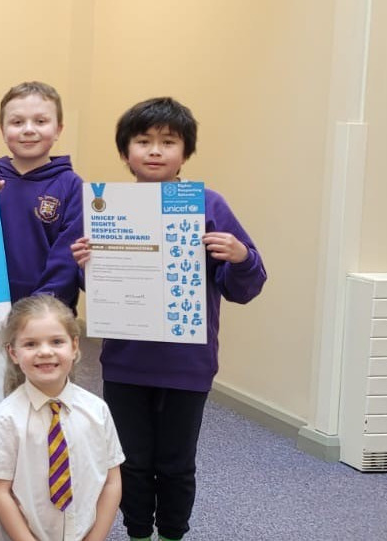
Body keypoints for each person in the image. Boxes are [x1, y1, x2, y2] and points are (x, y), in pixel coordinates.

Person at [70, 97, 268, 541]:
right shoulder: (107, 206)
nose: (155, 150)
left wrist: (240, 257)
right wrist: (87, 266)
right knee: (132, 460)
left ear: (186, 151)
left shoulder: (208, 204)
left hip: (187, 364)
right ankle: (138, 531)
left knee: (177, 462)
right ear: (126, 152)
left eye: (168, 141)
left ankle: (173, 533)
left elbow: (246, 286)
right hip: (125, 360)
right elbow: (100, 293)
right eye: (143, 141)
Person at [0, 295, 123, 540]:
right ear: (13, 352)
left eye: (56, 341)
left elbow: (111, 481)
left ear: (74, 347)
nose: (45, 352)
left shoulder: (97, 410)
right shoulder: (6, 417)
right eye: (31, 344)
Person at [0, 82, 84, 308]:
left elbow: (66, 260)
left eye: (41, 121)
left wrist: (38, 307)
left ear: (58, 129)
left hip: (48, 311)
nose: (28, 129)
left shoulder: (71, 186)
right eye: (17, 122)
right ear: (2, 130)